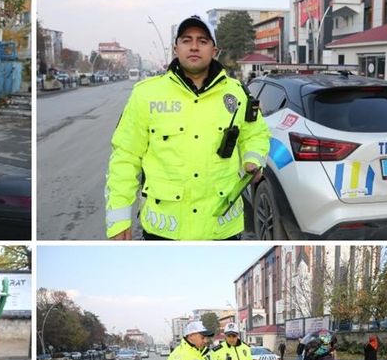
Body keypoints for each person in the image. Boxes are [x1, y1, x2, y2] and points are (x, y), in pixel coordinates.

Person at [105, 14, 271, 241]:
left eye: (202, 41)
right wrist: (119, 219)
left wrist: (253, 157)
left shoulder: (237, 93)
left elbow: (255, 132)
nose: (194, 47)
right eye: (186, 40)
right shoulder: (146, 95)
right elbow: (125, 157)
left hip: (221, 227)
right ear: (176, 48)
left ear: (215, 51)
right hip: (164, 229)